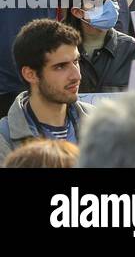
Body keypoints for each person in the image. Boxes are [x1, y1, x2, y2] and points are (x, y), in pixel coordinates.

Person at [0, 20, 89, 165]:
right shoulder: (5, 139)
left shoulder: (101, 124)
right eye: (60, 66)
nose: (76, 75)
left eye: (76, 61)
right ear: (30, 74)